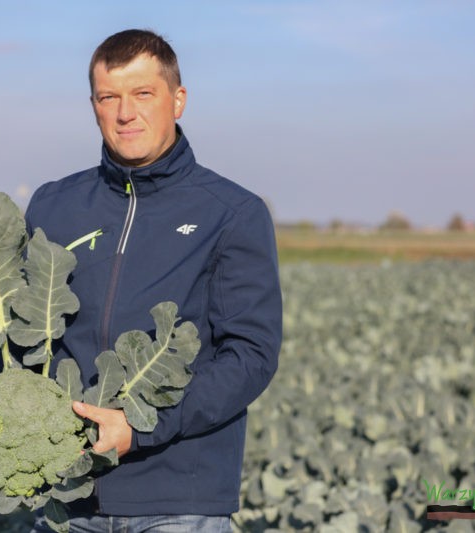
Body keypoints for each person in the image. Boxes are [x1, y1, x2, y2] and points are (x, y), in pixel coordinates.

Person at [24, 28, 282, 532]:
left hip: (180, 502)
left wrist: (141, 426)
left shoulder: (231, 213)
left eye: (143, 94)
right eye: (109, 97)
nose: (125, 113)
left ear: (177, 100)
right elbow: (23, 340)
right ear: (93, 104)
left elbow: (251, 355)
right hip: (64, 500)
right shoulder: (53, 205)